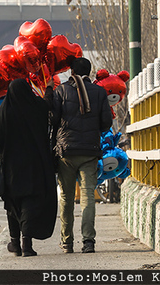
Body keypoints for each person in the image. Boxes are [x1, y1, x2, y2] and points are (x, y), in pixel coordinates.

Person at [0, 78, 57, 257]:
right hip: (35, 165)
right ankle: (27, 243)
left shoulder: (4, 111)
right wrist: (48, 88)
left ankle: (15, 243)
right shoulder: (36, 107)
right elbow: (48, 104)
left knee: (12, 204)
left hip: (11, 167)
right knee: (30, 201)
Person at [51, 57, 112, 254]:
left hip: (66, 152)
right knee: (87, 197)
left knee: (67, 198)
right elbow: (106, 123)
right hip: (89, 151)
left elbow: (53, 120)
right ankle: (88, 242)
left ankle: (67, 242)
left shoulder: (61, 91)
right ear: (90, 72)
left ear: (71, 72)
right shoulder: (99, 92)